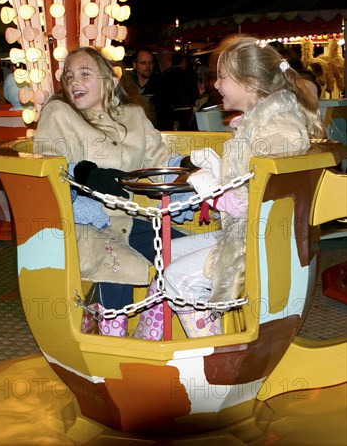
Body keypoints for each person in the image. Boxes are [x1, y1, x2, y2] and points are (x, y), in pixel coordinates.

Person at [151, 35, 324, 339]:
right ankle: (155, 338)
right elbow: (251, 183)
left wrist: (213, 189)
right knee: (167, 252)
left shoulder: (278, 130)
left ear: (250, 82)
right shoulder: (257, 124)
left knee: (177, 275)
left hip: (265, 241)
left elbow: (261, 202)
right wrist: (217, 169)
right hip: (250, 234)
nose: (214, 84)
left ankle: (214, 358)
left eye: (222, 76)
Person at [32, 46, 189, 337]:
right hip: (85, 222)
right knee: (117, 263)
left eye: (84, 74)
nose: (73, 82)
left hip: (127, 220)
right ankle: (111, 346)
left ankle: (151, 325)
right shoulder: (58, 112)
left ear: (110, 81)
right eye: (68, 77)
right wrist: (86, 174)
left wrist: (190, 171)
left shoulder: (133, 116)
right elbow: (51, 166)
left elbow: (160, 162)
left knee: (187, 253)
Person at [128, 48, 164, 127]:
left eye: (151, 62)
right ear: (135, 65)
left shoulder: (162, 85)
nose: (148, 66)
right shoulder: (127, 85)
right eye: (143, 63)